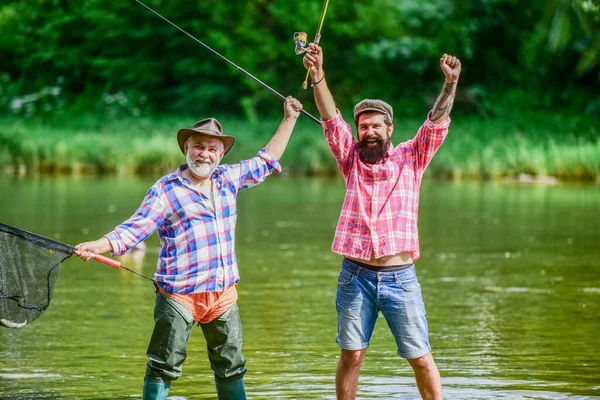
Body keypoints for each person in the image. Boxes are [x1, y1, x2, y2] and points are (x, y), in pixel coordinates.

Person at [75, 96, 303, 400]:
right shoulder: (166, 189)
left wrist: (289, 118)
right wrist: (99, 245)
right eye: (198, 146)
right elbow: (136, 227)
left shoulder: (228, 179)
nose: (204, 154)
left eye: (212, 149)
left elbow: (266, 160)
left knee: (231, 366)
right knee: (162, 365)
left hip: (223, 295)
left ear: (221, 154)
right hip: (178, 296)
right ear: (186, 149)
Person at [303, 44, 461, 400]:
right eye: (363, 126)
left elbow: (435, 122)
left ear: (390, 128)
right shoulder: (350, 159)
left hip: (400, 278)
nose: (369, 131)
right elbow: (330, 118)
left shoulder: (412, 157)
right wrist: (318, 75)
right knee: (352, 355)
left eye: (376, 125)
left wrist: (450, 84)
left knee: (420, 358)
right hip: (354, 276)